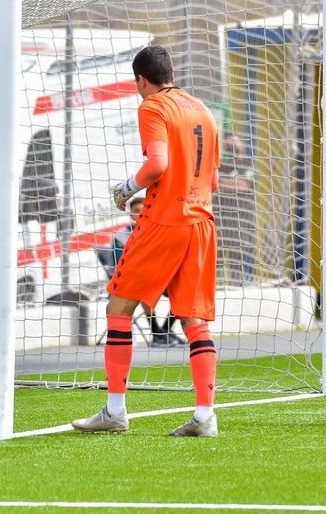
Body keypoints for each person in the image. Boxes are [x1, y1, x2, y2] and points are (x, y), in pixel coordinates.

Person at [71, 44, 221, 437]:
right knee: (193, 322)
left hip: (163, 223)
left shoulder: (152, 107)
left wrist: (124, 190)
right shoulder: (202, 109)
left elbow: (158, 164)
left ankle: (115, 410)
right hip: (202, 222)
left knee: (119, 310)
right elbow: (213, 180)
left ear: (141, 80)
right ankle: (205, 417)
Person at [109, 196, 184, 347]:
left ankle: (165, 331)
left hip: (161, 278)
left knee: (184, 292)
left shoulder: (160, 231)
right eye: (136, 211)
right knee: (142, 287)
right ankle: (158, 334)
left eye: (144, 209)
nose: (141, 213)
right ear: (131, 215)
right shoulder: (121, 237)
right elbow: (121, 266)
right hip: (133, 281)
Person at [214, 131, 255, 283]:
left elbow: (247, 185)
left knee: (238, 259)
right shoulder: (219, 165)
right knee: (216, 256)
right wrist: (233, 183)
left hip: (242, 221)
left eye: (235, 142)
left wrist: (225, 183)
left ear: (242, 144)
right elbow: (215, 185)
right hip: (221, 218)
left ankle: (238, 286)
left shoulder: (249, 164)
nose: (232, 146)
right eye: (229, 143)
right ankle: (215, 287)